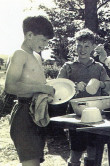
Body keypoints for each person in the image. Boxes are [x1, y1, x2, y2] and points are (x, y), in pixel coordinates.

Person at [57, 28, 110, 166]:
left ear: (92, 48)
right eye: (79, 46)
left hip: (95, 115)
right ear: (75, 46)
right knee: (75, 152)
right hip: (75, 115)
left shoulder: (99, 67)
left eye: (86, 46)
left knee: (93, 152)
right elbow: (58, 89)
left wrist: (100, 83)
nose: (82, 49)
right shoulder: (68, 66)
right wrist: (73, 86)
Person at [4, 15, 55, 166]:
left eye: (47, 41)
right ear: (30, 35)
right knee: (30, 163)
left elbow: (37, 83)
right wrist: (41, 88)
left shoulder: (36, 57)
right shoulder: (19, 54)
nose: (45, 45)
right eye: (43, 40)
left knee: (36, 162)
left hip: (37, 112)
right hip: (24, 114)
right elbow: (10, 86)